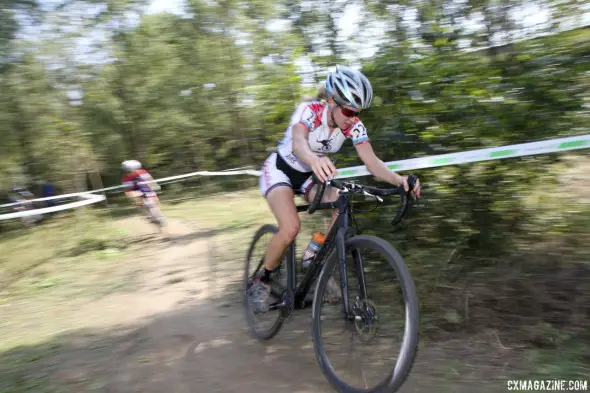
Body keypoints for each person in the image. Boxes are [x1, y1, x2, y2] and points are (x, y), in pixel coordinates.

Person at [251, 65, 421, 312]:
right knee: (290, 228)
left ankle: (314, 252)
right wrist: (314, 159)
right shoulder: (310, 111)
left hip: (309, 175)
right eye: (350, 110)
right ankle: (262, 279)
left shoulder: (353, 126)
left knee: (341, 201)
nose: (354, 117)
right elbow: (299, 143)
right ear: (331, 101)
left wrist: (400, 180)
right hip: (280, 169)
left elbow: (373, 164)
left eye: (358, 112)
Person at [120, 160, 163, 224]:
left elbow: (150, 180)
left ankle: (157, 214)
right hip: (137, 191)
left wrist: (155, 186)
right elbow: (128, 189)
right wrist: (131, 196)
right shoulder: (127, 178)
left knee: (155, 200)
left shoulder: (142, 172)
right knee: (138, 202)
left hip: (146, 189)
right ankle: (145, 214)